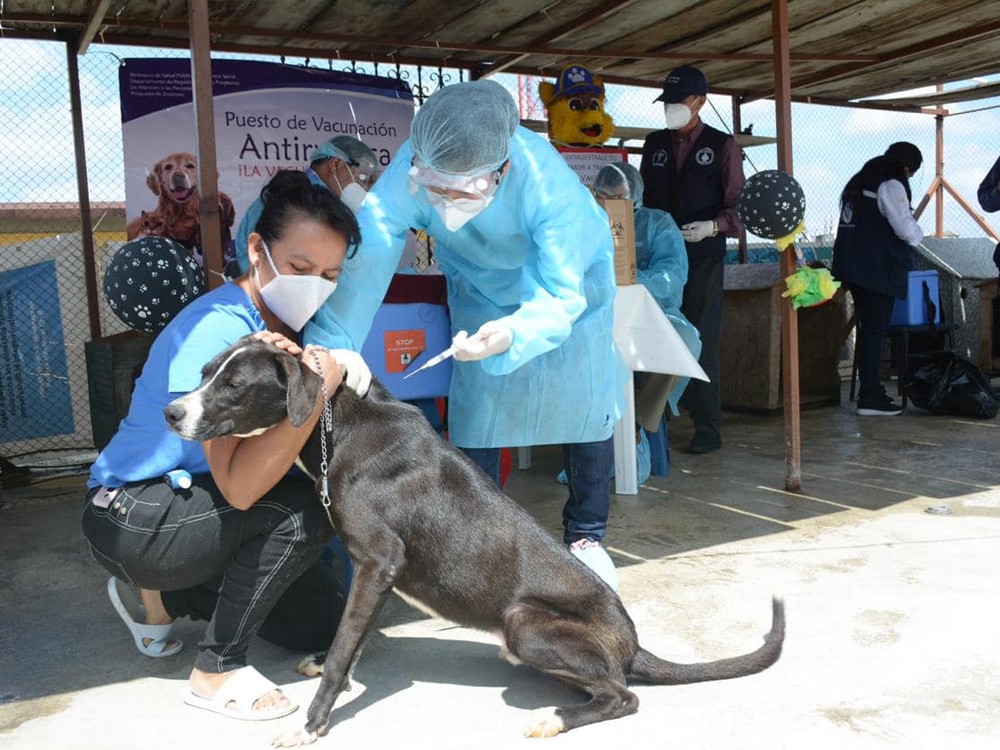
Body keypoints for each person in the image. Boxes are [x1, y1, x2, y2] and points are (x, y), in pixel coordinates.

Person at [302, 79, 624, 590]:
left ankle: (586, 534)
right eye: (435, 188)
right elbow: (376, 246)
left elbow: (562, 292)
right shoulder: (417, 160)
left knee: (583, 407)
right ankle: (474, 532)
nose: (446, 200)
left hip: (569, 289)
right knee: (479, 411)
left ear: (504, 170)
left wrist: (516, 332)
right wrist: (335, 339)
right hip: (478, 284)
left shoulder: (547, 182)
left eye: (463, 190)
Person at [82, 170, 372, 720]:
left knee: (317, 625)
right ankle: (216, 669)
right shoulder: (219, 328)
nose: (315, 285)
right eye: (301, 268)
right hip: (133, 515)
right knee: (302, 513)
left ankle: (165, 597)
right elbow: (241, 490)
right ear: (258, 249)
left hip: (193, 504)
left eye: (330, 275)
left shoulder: (280, 322)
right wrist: (315, 389)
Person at [639, 65, 745, 455]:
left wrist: (714, 227)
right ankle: (652, 423)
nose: (670, 109)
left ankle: (707, 426)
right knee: (654, 334)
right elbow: (642, 200)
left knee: (701, 337)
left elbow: (740, 208)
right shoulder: (654, 145)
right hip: (659, 261)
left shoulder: (722, 145)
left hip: (702, 256)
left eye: (678, 102)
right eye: (666, 102)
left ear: (699, 101)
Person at [592, 161, 703, 420]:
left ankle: (646, 415)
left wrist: (631, 279)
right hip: (598, 313)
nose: (610, 203)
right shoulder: (586, 224)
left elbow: (674, 274)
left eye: (618, 198)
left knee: (685, 341)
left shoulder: (658, 223)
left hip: (654, 312)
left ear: (635, 196)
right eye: (603, 197)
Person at [831, 142, 924, 416]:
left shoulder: (860, 181)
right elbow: (906, 229)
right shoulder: (891, 184)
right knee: (874, 332)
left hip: (851, 266)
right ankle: (870, 397)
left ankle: (869, 392)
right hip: (876, 268)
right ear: (906, 168)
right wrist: (919, 234)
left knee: (868, 330)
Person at [229, 135, 378, 276]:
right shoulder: (293, 195)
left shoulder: (333, 205)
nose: (366, 188)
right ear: (336, 164)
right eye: (363, 178)